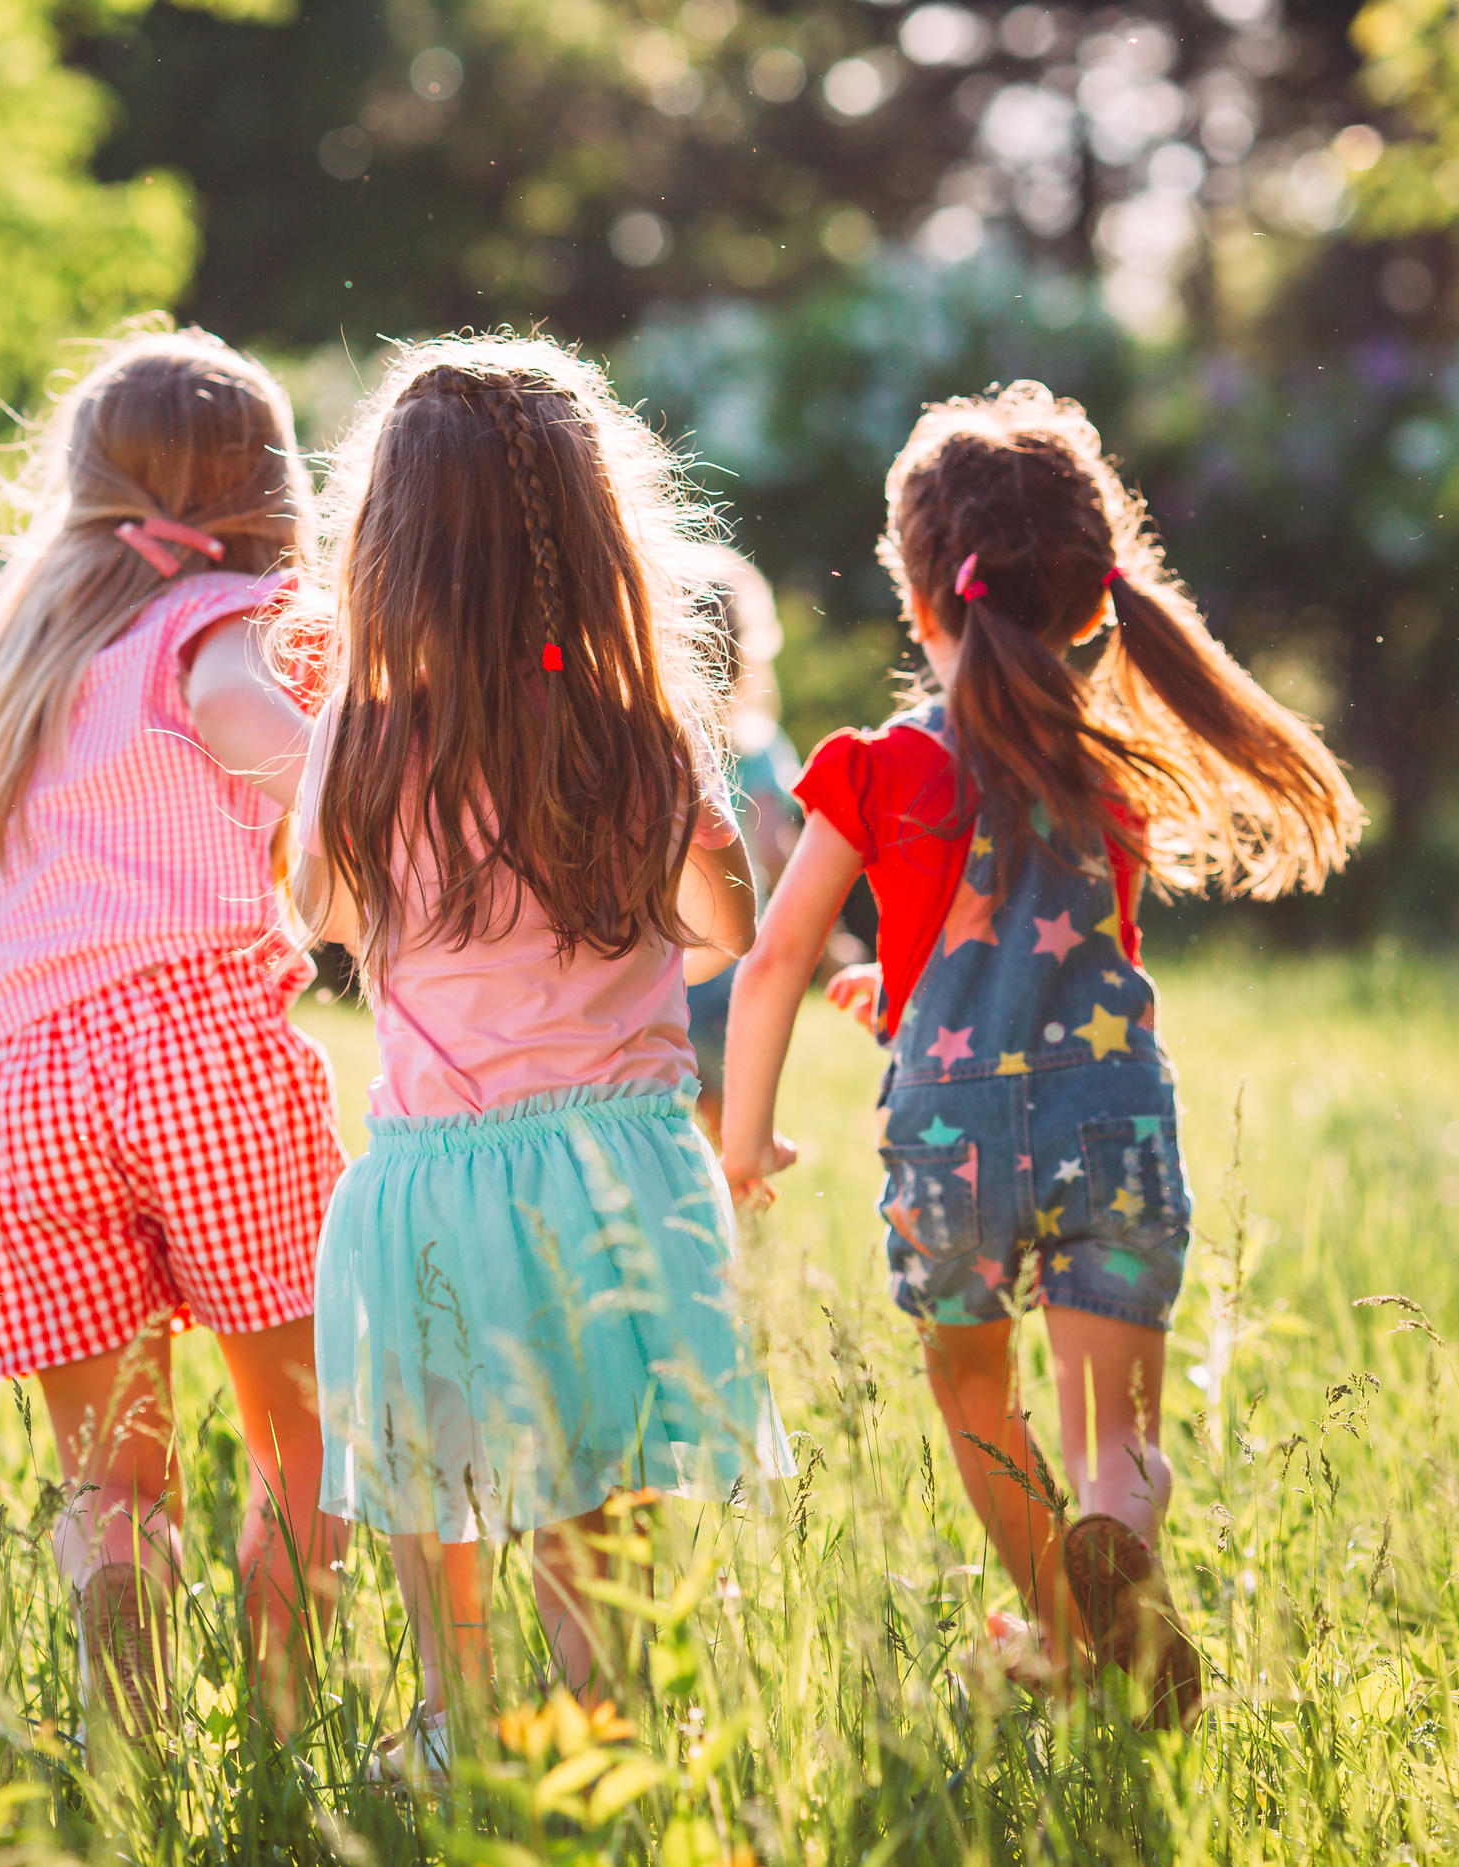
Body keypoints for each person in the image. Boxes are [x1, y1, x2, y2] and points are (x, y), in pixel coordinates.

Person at [720, 383, 1363, 1727]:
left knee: (973, 1392)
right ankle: (1115, 1522)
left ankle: (1068, 1638)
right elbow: (1042, 951)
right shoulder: (1108, 758)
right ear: (1089, 601)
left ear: (921, 594)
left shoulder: (873, 764)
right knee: (1113, 1436)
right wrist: (909, 998)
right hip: (1109, 1118)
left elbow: (775, 955)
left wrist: (745, 1135)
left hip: (949, 1136)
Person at [288, 336, 792, 1778]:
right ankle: (598, 1716)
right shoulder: (639, 732)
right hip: (623, 1160)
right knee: (601, 1475)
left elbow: (326, 918)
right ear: (593, 534)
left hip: (438, 1172)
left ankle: (453, 1719)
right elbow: (724, 926)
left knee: (434, 1473)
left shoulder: (367, 747)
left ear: (385, 551)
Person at [0, 328, 349, 1743]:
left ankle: (125, 1728)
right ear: (269, 487)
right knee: (302, 1428)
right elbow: (242, 724)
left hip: (24, 1086)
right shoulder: (223, 622)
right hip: (200, 1046)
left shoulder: (22, 664)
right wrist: (370, 802)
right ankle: (278, 1727)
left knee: (113, 1475)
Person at [673, 542, 806, 1143]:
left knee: (667, 1103)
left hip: (666, 958)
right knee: (728, 1114)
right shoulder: (757, 748)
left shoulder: (654, 744)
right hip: (736, 962)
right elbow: (779, 850)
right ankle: (738, 1193)